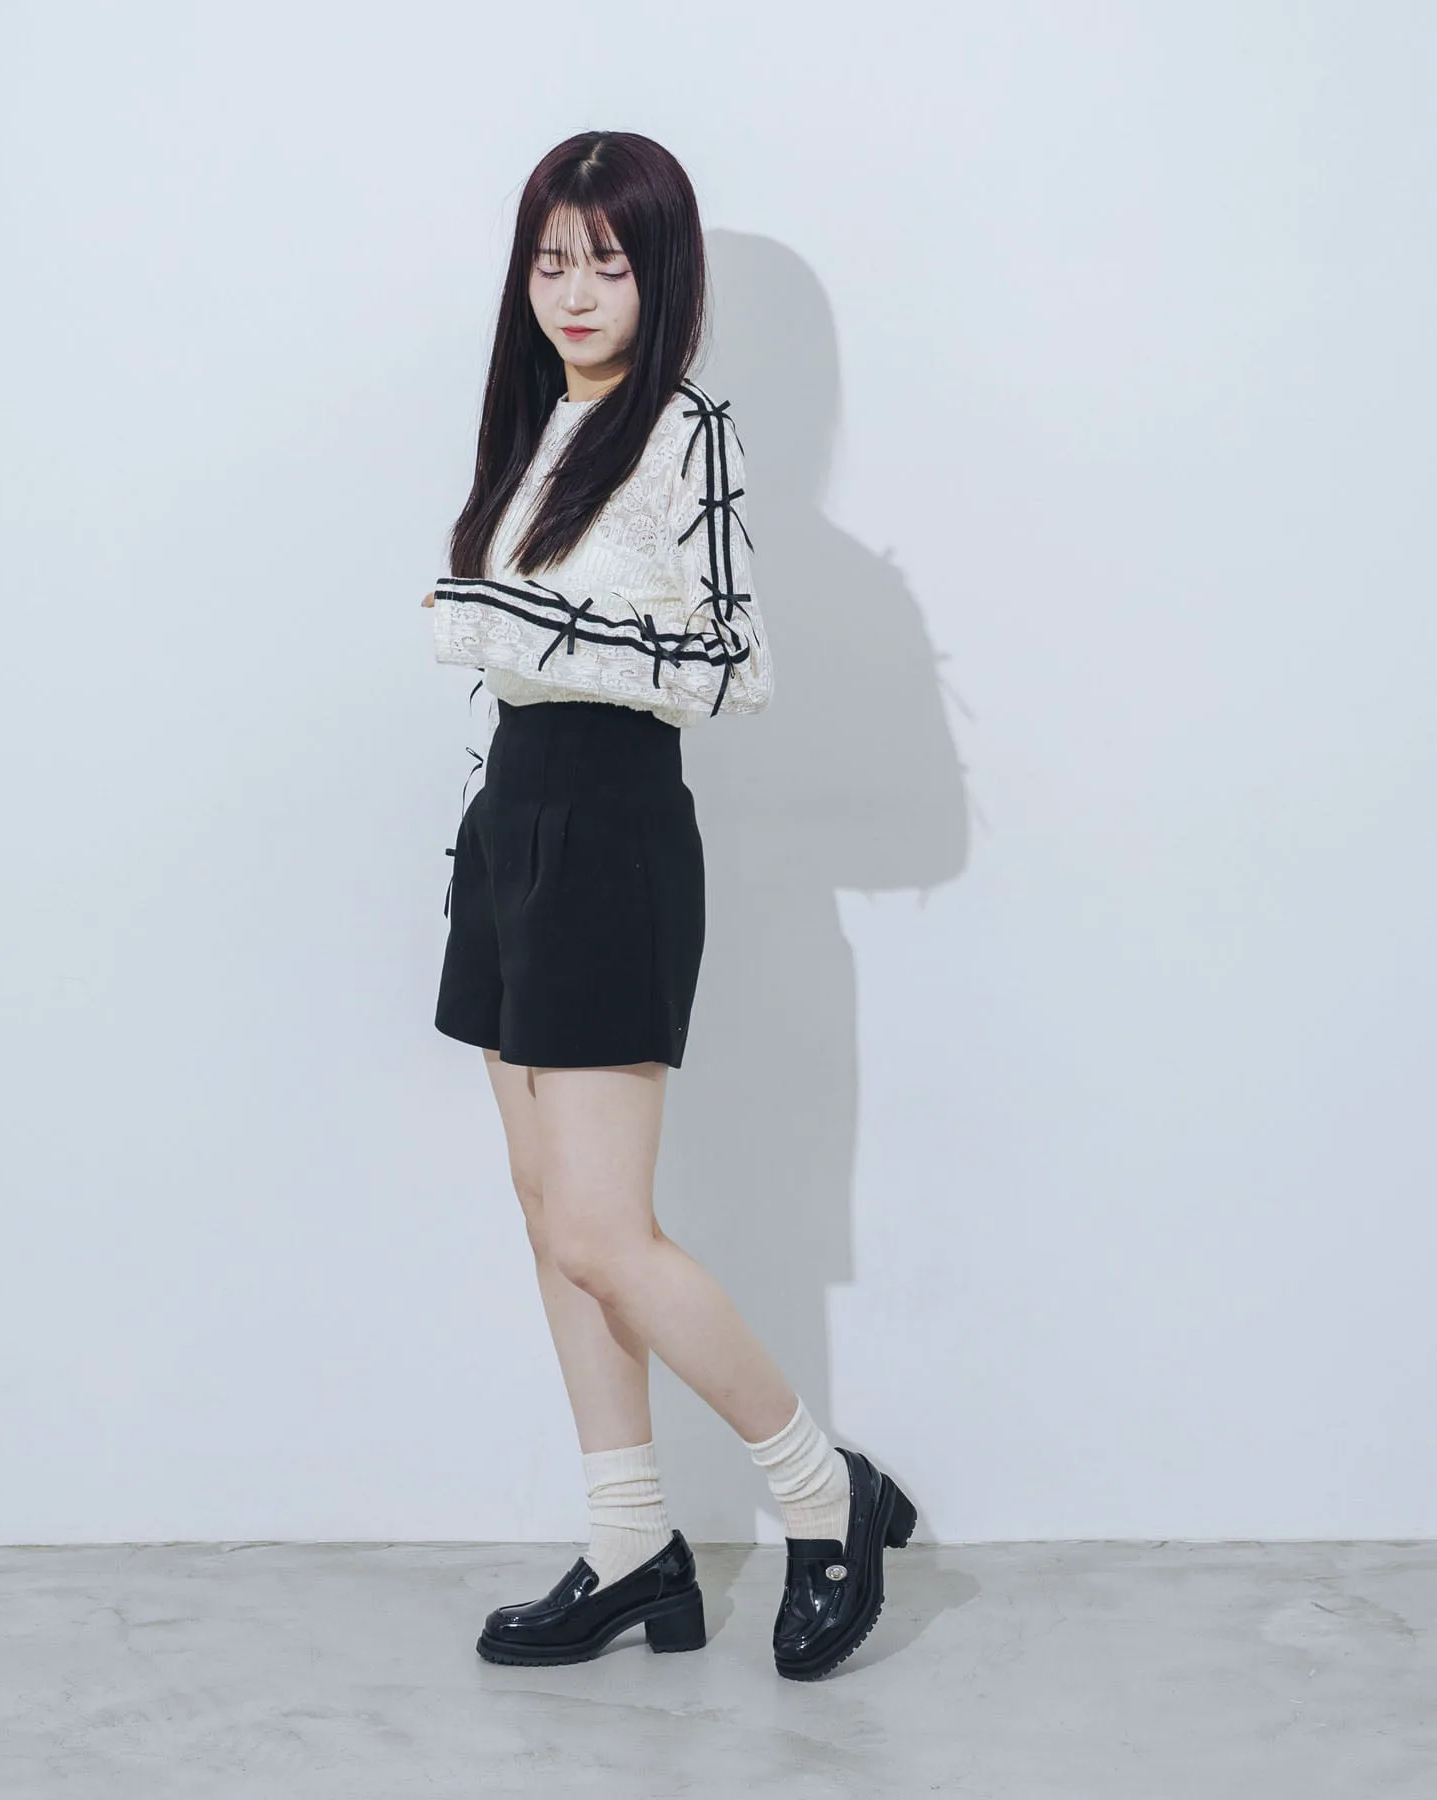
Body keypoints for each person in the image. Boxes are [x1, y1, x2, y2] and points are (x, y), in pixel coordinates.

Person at [421, 130, 916, 1682]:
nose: (573, 291)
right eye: (550, 259)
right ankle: (634, 1544)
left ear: (664, 275)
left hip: (613, 824)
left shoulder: (682, 430)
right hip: (512, 820)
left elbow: (730, 663)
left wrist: (516, 621)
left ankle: (824, 1495)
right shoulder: (537, 426)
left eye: (608, 262)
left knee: (602, 1228)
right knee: (546, 1215)